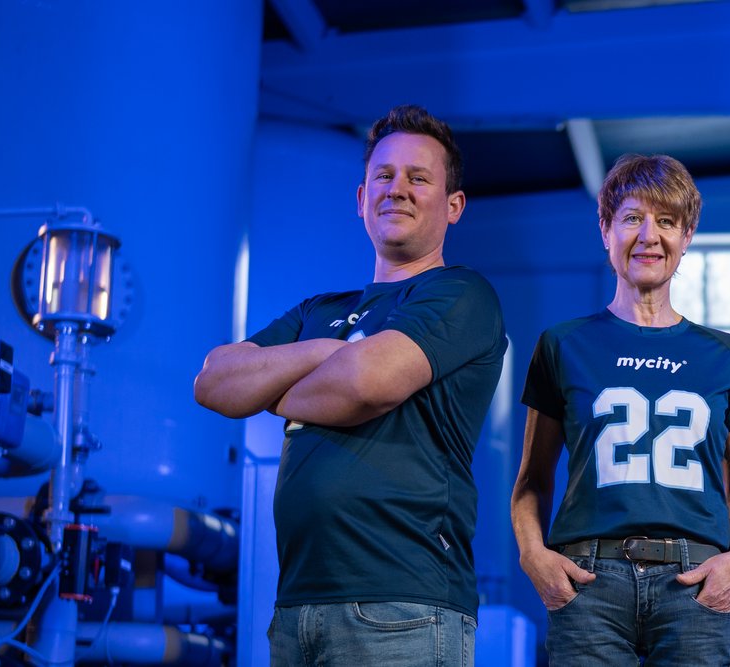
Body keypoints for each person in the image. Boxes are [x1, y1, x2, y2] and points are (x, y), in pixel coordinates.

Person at [193, 104, 504, 667]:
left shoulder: (460, 294)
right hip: (296, 607)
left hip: (402, 607)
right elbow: (214, 382)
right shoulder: (318, 311)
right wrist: (327, 353)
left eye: (418, 178)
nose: (397, 189)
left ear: (453, 205)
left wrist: (274, 384)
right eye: (384, 175)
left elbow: (366, 383)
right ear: (362, 198)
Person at [510, 154, 730, 666]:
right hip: (589, 581)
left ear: (687, 236)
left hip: (695, 582)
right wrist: (533, 556)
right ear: (605, 229)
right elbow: (532, 480)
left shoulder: (726, 354)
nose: (649, 236)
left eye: (666, 221)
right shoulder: (563, 345)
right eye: (632, 218)